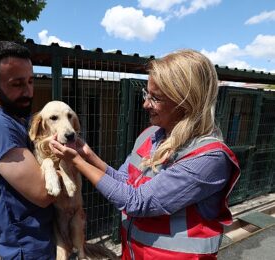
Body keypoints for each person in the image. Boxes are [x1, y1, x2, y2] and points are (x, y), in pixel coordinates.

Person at [50, 49, 240, 259]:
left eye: (155, 98)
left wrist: (76, 162)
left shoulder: (208, 159)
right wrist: (88, 155)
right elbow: (125, 181)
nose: (145, 104)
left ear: (185, 101)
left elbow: (136, 202)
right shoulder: (150, 136)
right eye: (146, 94)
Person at [0, 41, 56, 259]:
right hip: (26, 247)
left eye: (30, 81)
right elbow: (44, 192)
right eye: (17, 84)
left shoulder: (17, 116)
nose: (28, 91)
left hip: (40, 239)